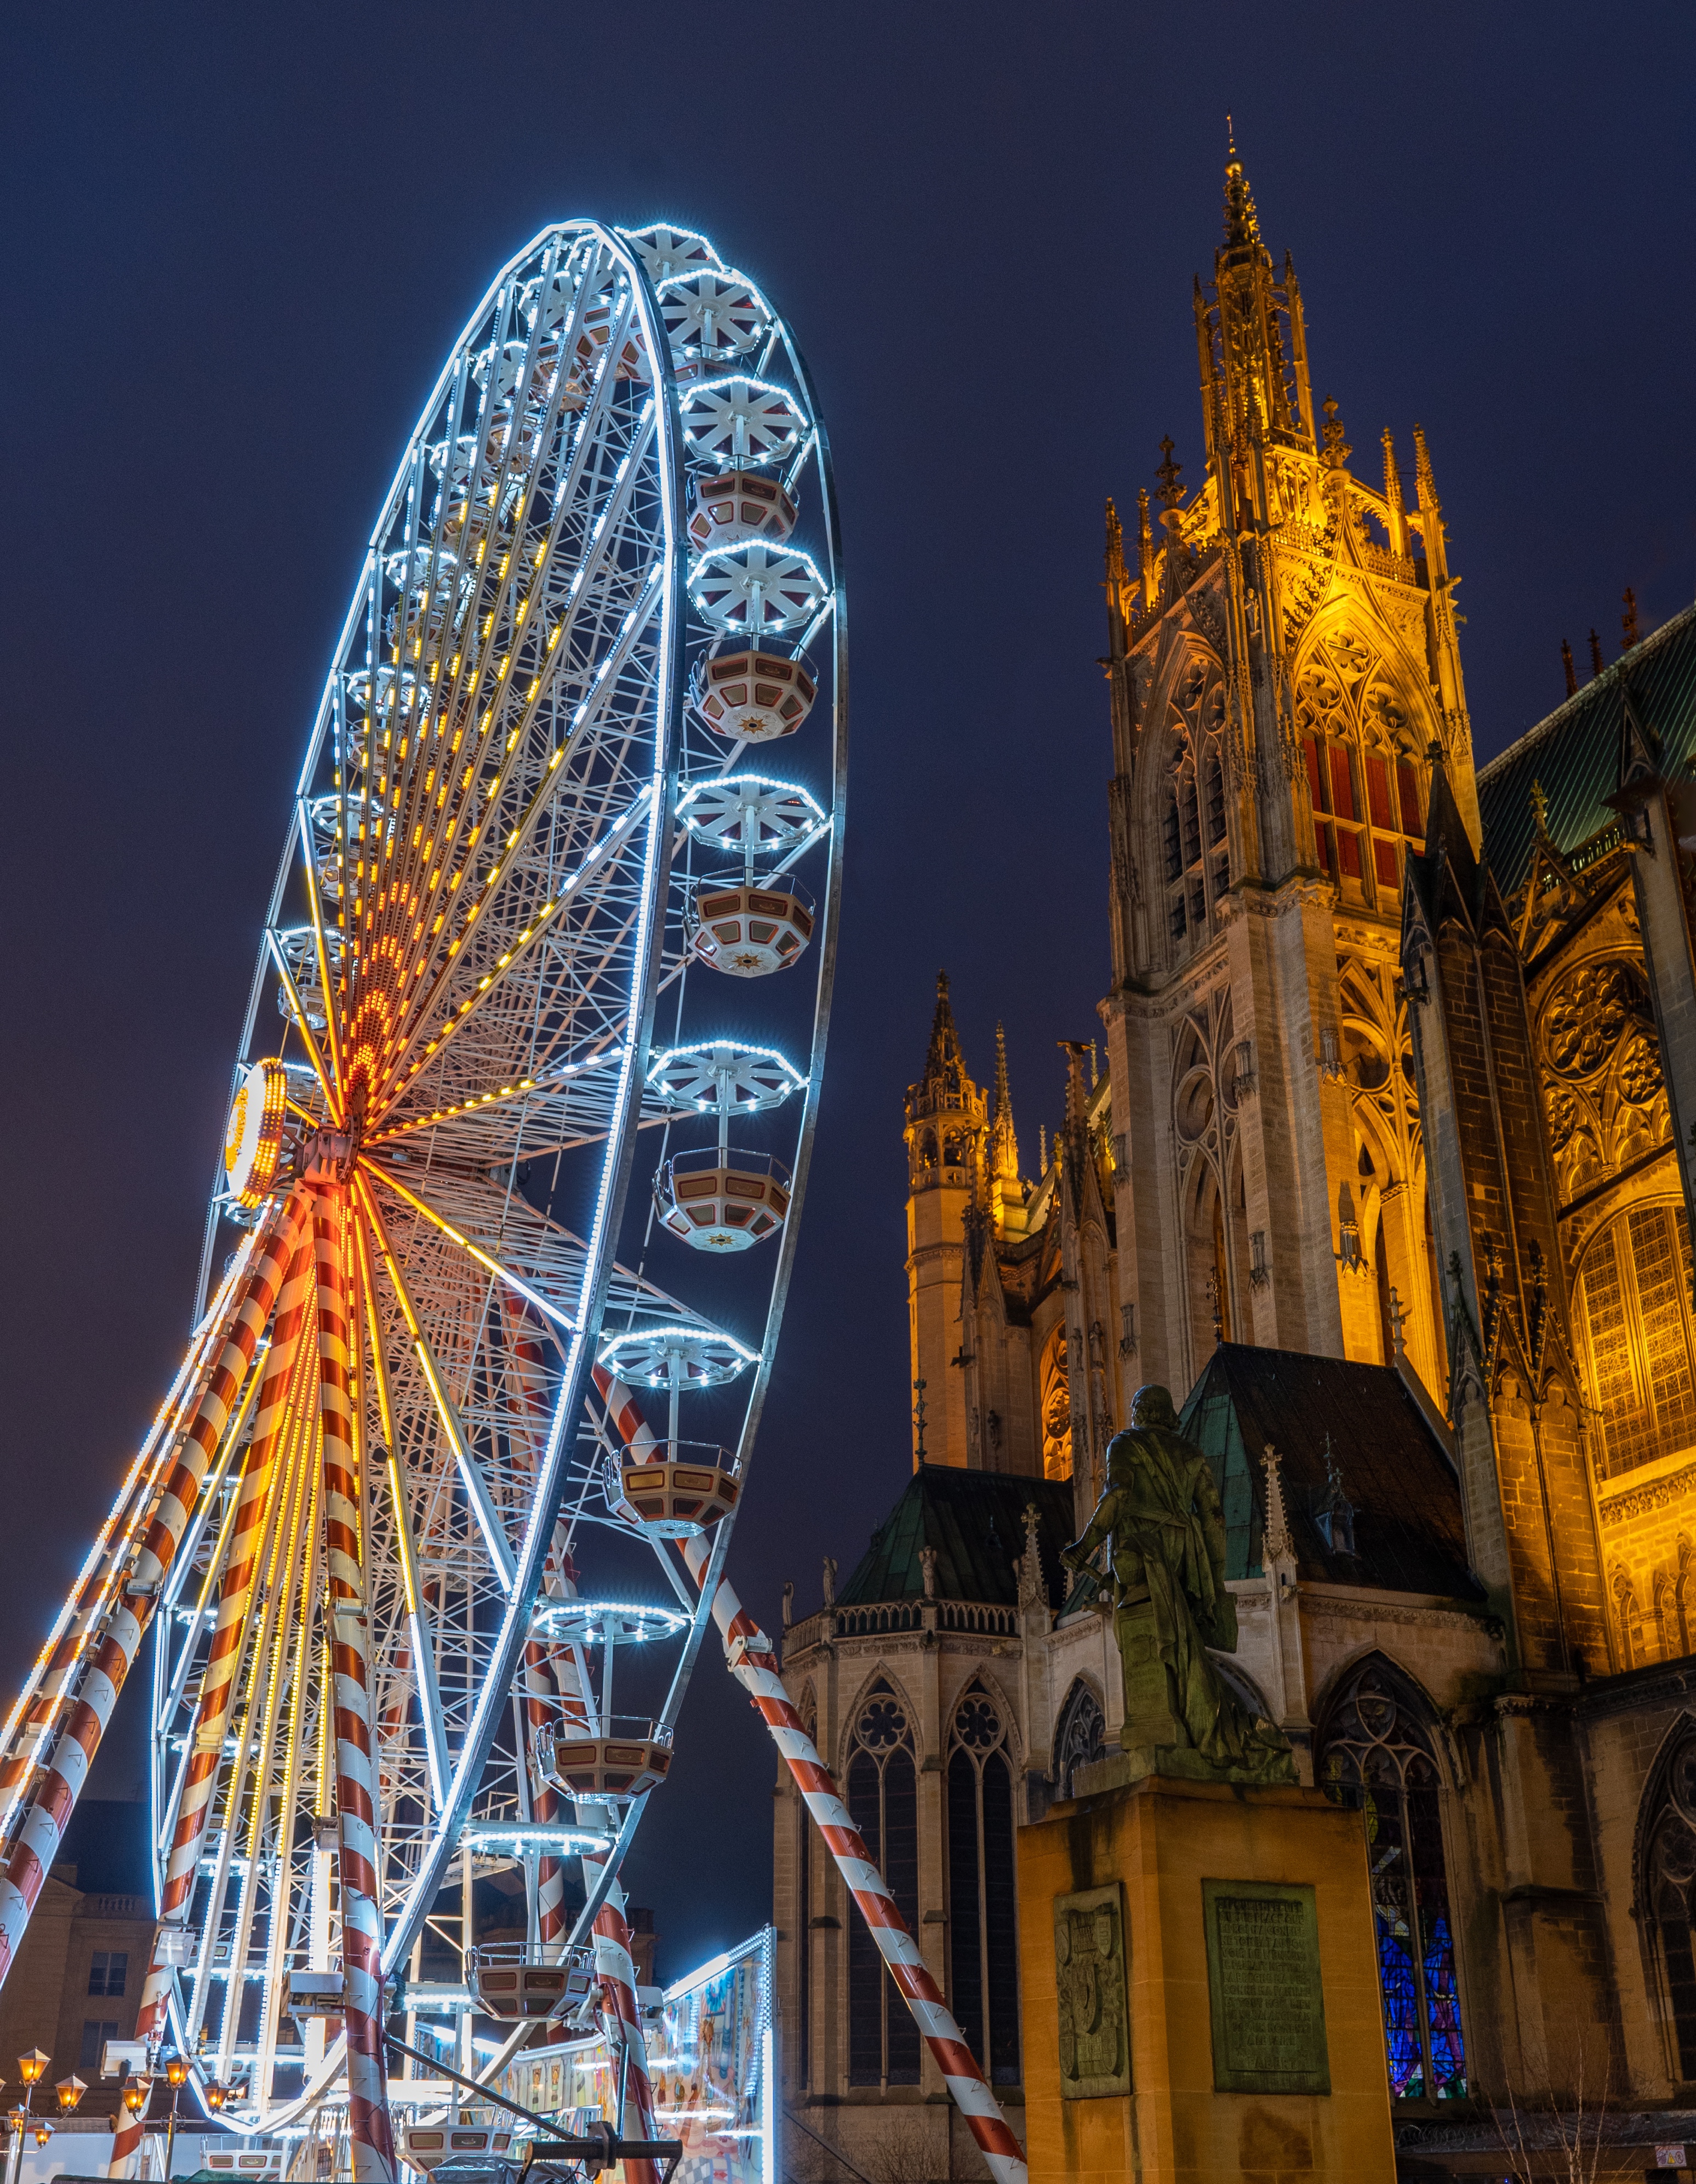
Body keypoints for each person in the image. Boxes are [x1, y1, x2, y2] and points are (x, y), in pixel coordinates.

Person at [1061, 1384, 1293, 1782]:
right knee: (1181, 1638)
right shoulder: (1190, 1453)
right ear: (1167, 1414)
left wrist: (1084, 1546)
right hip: (1185, 1553)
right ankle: (1182, 1723)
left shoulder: (1125, 1443)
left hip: (1140, 1552)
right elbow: (1214, 1517)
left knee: (1148, 1632)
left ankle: (1155, 1725)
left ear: (1139, 1412)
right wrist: (1212, 1579)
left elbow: (1116, 1495)